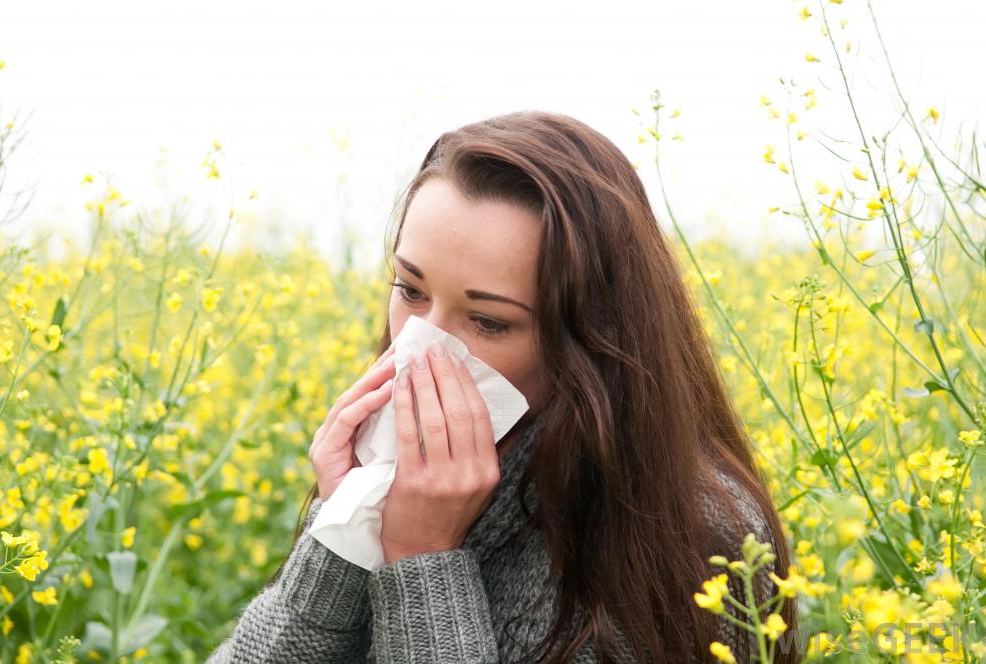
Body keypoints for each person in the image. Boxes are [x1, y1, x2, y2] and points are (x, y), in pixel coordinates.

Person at [206, 110, 799, 663]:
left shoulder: (696, 539)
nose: (422, 346)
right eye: (410, 290)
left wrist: (423, 561)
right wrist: (346, 534)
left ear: (590, 338)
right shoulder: (384, 473)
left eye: (489, 321)